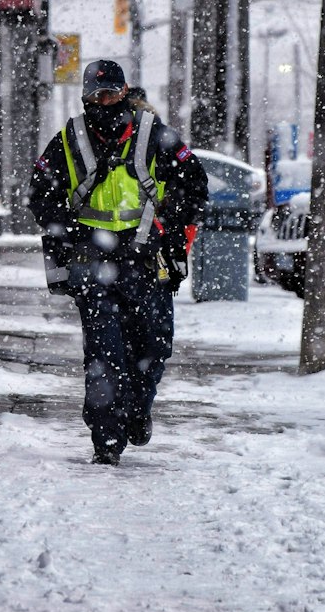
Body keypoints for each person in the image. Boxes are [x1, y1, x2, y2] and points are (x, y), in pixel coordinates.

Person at [28, 59, 208, 465]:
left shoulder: (154, 136)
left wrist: (174, 235)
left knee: (155, 347)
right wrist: (73, 233)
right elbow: (40, 194)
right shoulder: (69, 141)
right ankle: (106, 442)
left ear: (125, 93)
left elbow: (194, 184)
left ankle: (138, 409)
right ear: (85, 98)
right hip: (93, 267)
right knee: (105, 356)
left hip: (146, 264)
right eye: (95, 95)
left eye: (110, 93)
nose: (103, 101)